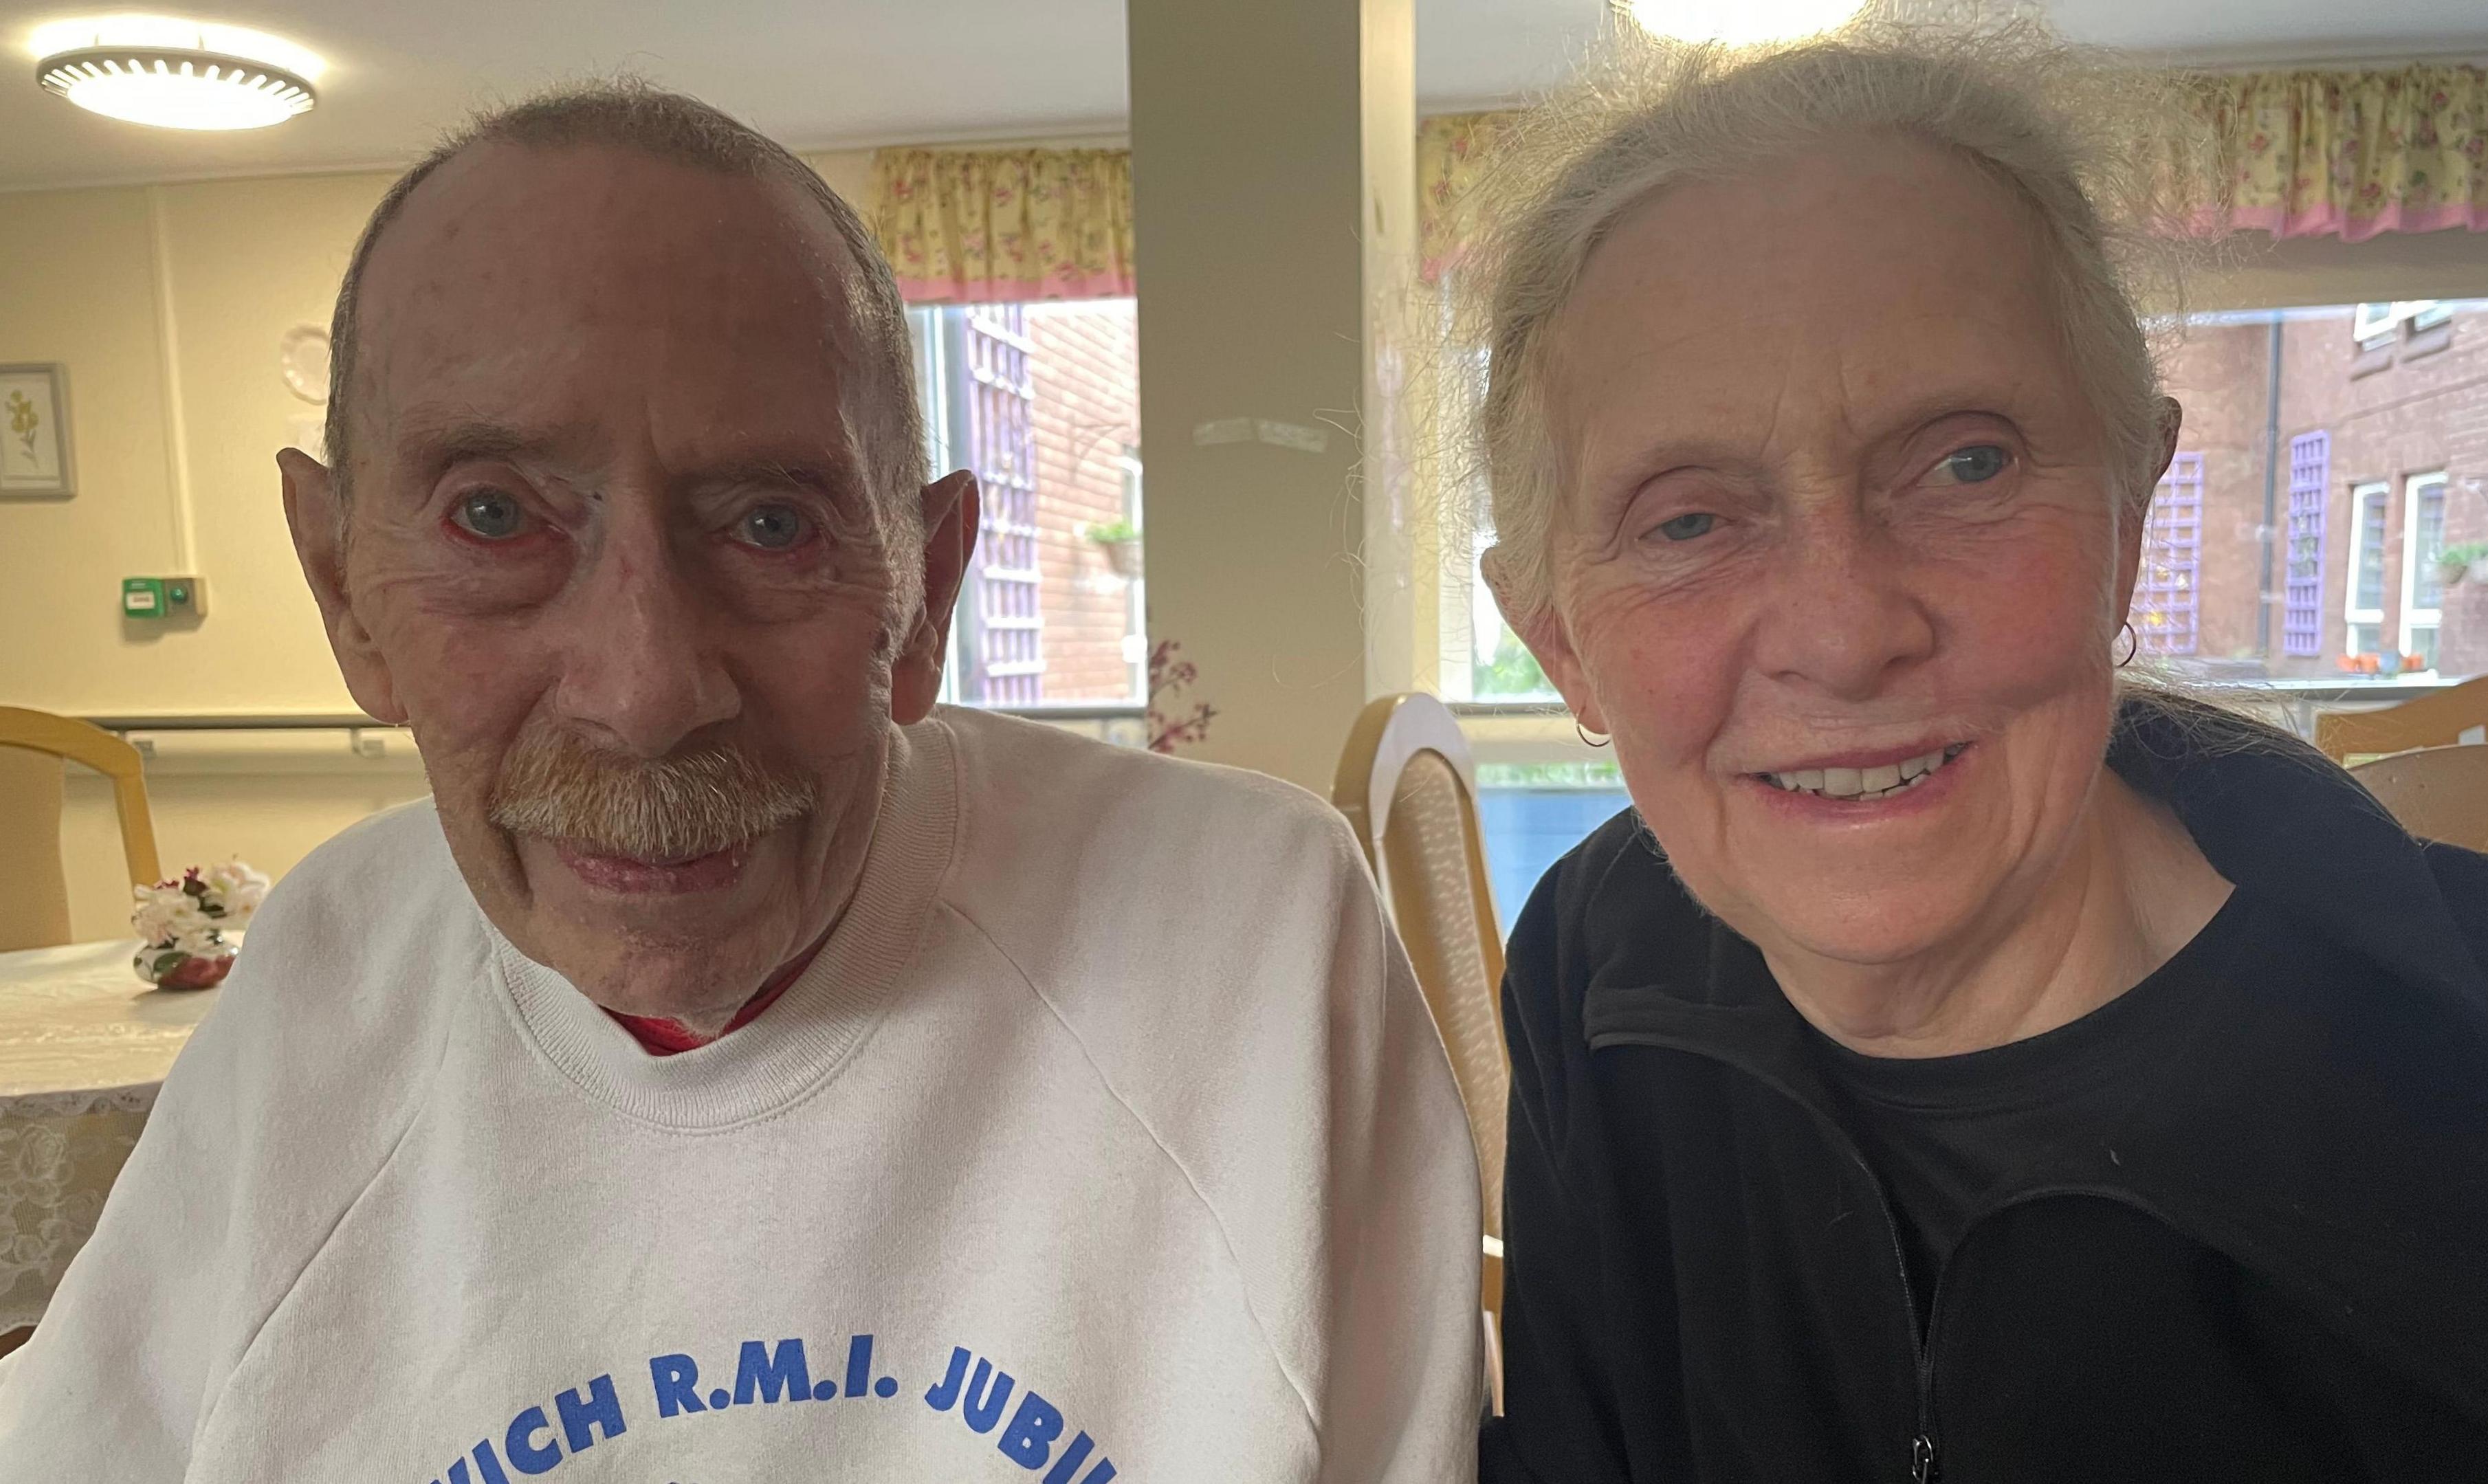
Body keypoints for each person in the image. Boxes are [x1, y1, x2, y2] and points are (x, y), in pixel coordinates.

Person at [0, 85, 1482, 1482]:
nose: (643, 696)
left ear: (932, 587)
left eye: (773, 523)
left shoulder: (1253, 940)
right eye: (496, 515)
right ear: (341, 586)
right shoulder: (330, 972)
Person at [1462, 24, 2488, 1483]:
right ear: (1562, 642)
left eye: (1966, 463)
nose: (1842, 631)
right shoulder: (1599, 960)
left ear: (2129, 516)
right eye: (1688, 520)